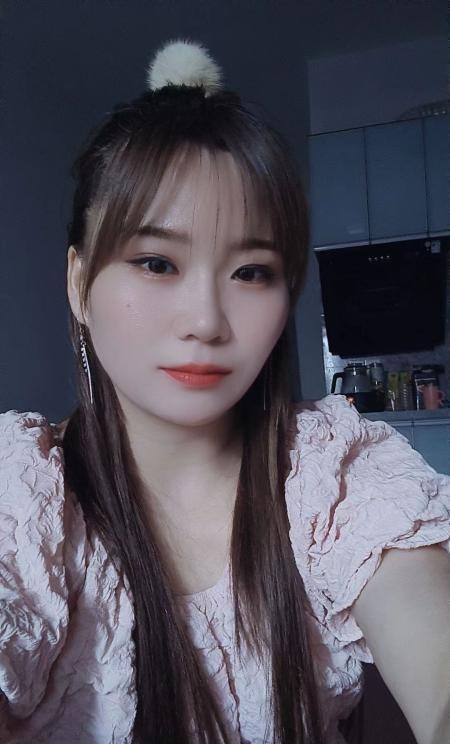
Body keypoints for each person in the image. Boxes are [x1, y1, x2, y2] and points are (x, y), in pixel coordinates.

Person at [0, 39, 448, 744]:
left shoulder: (334, 476)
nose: (207, 321)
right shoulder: (22, 498)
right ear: (79, 283)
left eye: (251, 272)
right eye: (157, 263)